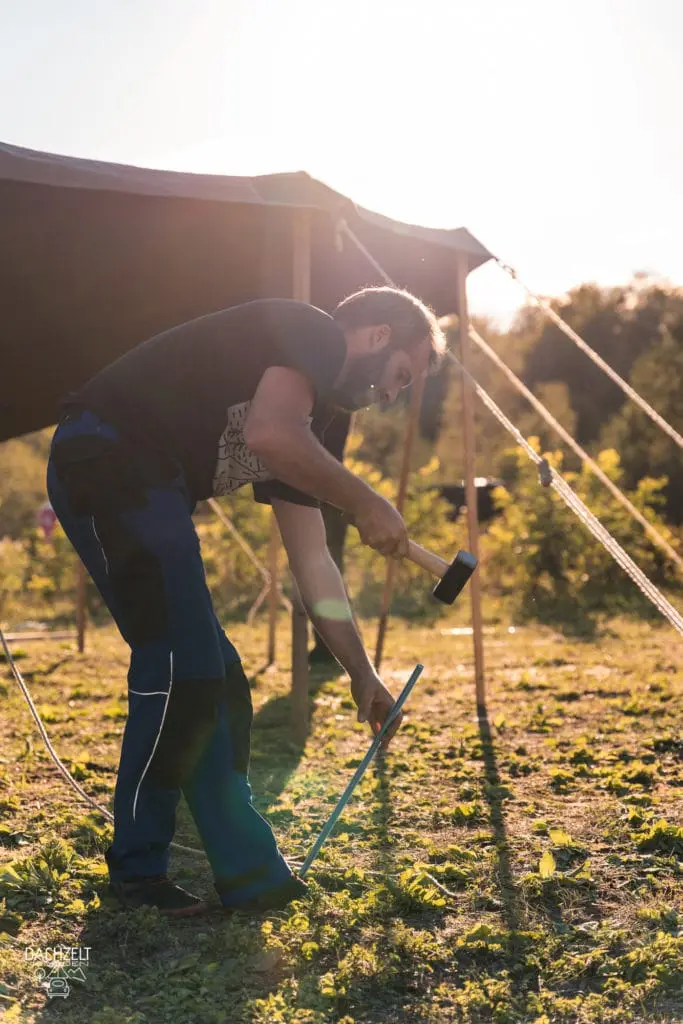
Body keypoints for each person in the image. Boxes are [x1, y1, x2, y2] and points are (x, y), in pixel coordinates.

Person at [46, 286, 446, 917]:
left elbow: (314, 562)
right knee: (182, 666)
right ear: (375, 336)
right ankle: (138, 875)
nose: (391, 397)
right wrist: (367, 501)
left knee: (220, 677)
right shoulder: (311, 331)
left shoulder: (318, 422)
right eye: (400, 375)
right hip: (105, 455)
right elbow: (268, 433)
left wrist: (361, 671)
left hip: (152, 483)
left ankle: (251, 875)